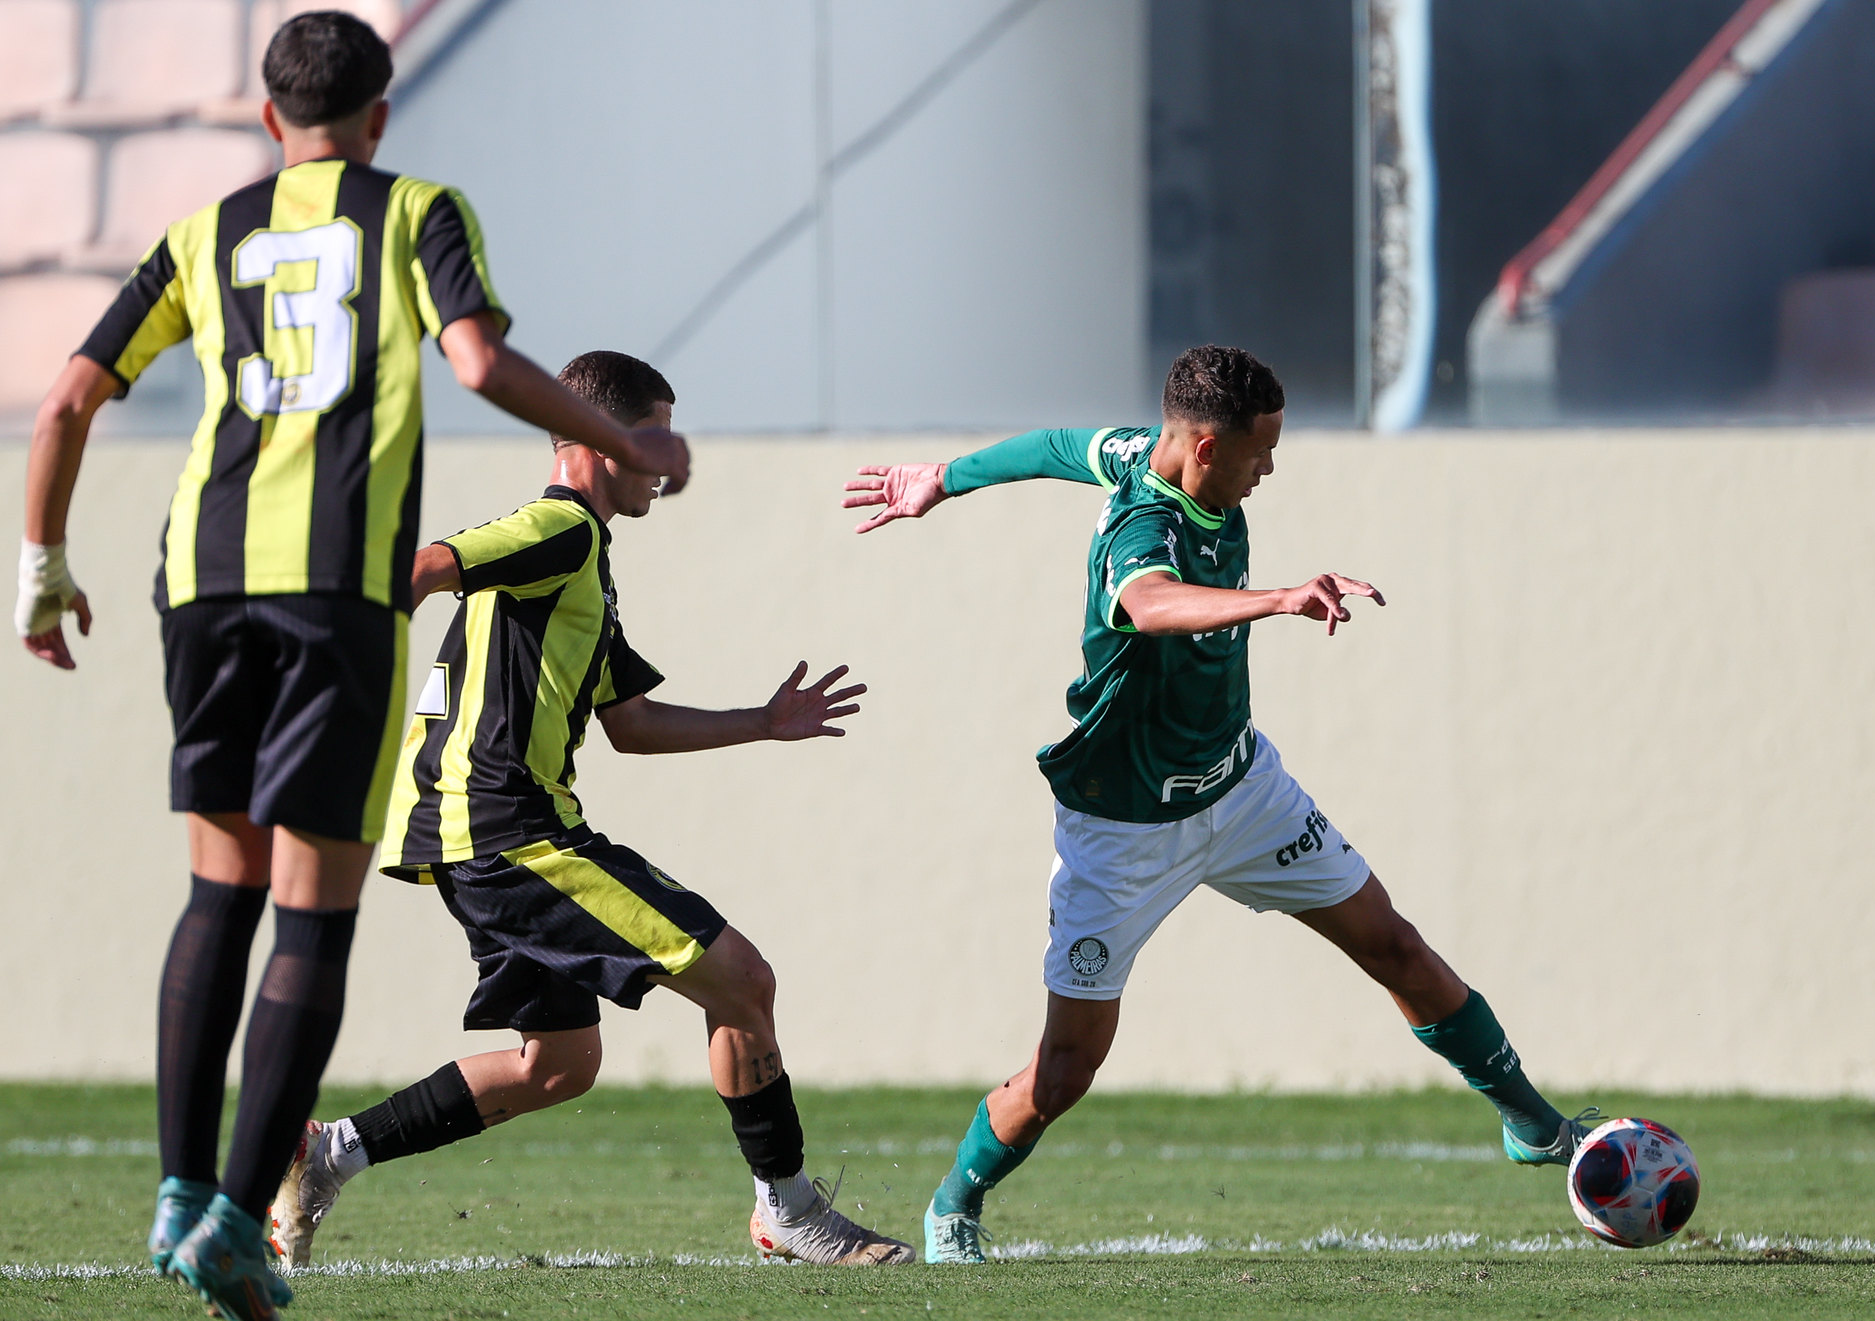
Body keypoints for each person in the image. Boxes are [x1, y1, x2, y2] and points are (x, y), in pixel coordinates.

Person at [13, 14, 688, 1318]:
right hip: (335, 588)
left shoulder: (204, 234)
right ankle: (237, 1213)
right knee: (311, 905)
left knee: (217, 888)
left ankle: (177, 1187)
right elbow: (481, 363)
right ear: (380, 119)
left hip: (200, 581)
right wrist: (620, 435)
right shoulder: (416, 209)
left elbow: (64, 401)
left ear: (270, 120)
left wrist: (42, 563)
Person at [842, 344, 1597, 1264]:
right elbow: (1152, 603)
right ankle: (955, 1201)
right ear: (1203, 448)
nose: (1268, 470)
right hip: (1122, 829)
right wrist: (1278, 598)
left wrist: (942, 480)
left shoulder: (1140, 449)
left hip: (1242, 788)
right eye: (1258, 453)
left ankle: (1534, 1122)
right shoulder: (1140, 530)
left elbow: (1048, 443)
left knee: (1393, 943)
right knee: (1067, 1066)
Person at [268, 350, 912, 1269]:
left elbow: (631, 723)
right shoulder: (559, 529)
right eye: (654, 437)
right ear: (603, 438)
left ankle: (327, 1153)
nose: (665, 463)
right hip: (508, 831)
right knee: (744, 980)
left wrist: (763, 723)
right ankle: (788, 1208)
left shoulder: (584, 560)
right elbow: (424, 567)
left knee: (559, 1065)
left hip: (483, 832)